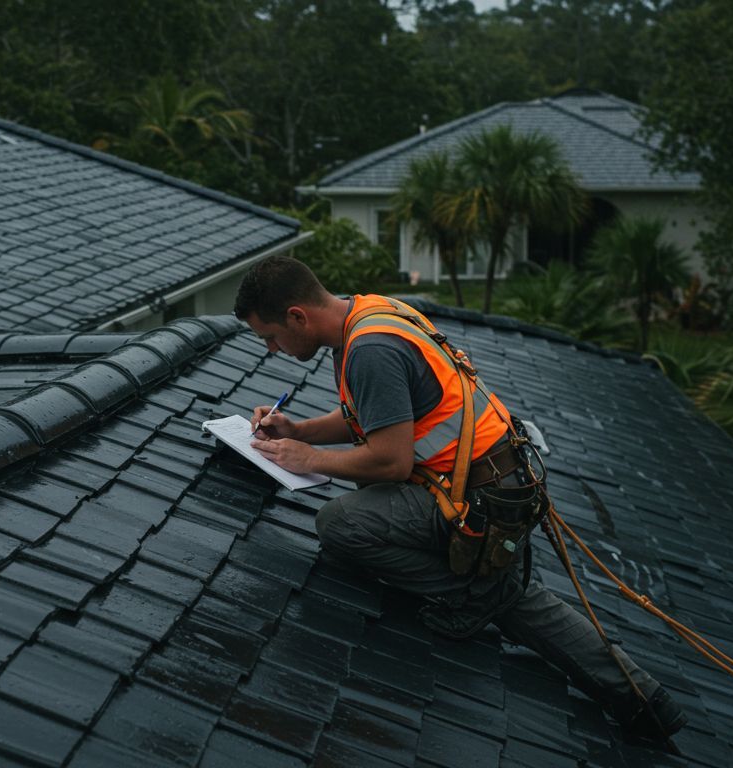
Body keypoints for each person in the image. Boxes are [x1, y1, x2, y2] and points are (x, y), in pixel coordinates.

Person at [233, 254, 685, 748]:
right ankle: (646, 702)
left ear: (297, 315)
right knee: (515, 599)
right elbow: (377, 416)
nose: (273, 350)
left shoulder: (370, 350)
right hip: (493, 482)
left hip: (478, 499)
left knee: (340, 524)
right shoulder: (371, 313)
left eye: (271, 336)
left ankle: (475, 595)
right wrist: (300, 430)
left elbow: (390, 461)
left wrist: (309, 458)